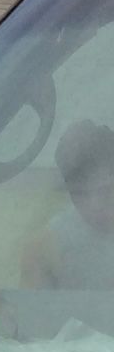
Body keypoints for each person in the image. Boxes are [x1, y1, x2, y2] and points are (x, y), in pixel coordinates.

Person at [22, 119, 114, 289]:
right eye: (80, 194)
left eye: (105, 191)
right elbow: (36, 312)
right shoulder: (46, 248)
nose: (94, 205)